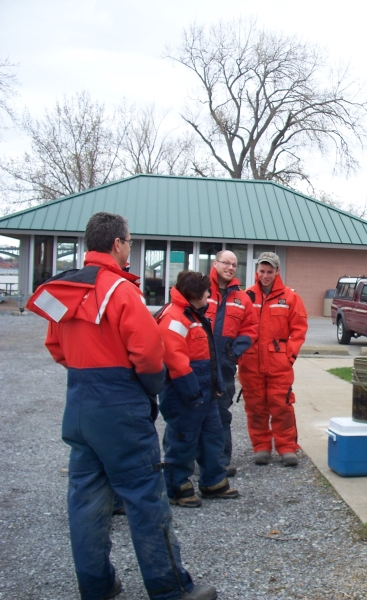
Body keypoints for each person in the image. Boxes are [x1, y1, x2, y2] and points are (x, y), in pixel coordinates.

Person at [26, 212, 215, 600]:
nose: (130, 247)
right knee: (145, 498)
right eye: (129, 242)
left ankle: (96, 586)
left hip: (79, 403)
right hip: (119, 405)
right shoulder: (121, 289)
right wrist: (147, 387)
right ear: (117, 244)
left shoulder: (65, 289)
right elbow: (148, 354)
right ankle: (170, 588)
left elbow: (55, 346)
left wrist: (86, 370)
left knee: (86, 500)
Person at [157, 271, 239, 508]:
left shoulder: (193, 315)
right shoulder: (175, 319)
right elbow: (176, 363)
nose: (209, 296)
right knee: (182, 441)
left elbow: (209, 357)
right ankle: (176, 487)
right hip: (185, 396)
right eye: (206, 292)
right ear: (195, 294)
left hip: (205, 394)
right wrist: (193, 394)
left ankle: (213, 481)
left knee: (212, 438)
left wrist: (216, 388)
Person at [239, 252, 309, 467]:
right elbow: (237, 328)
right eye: (262, 271)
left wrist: (289, 356)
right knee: (256, 406)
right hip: (251, 362)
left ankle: (287, 447)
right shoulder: (246, 296)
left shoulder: (290, 297)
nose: (265, 276)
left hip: (279, 363)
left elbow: (299, 328)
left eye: (270, 272)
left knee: (282, 406)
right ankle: (261, 446)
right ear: (256, 271)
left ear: (277, 271)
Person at [206, 250, 258, 477]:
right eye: (225, 263)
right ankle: (182, 465)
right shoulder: (198, 289)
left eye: (234, 264)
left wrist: (233, 353)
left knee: (220, 414)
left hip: (224, 365)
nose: (230, 267)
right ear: (215, 263)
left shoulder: (242, 298)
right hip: (196, 363)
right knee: (188, 412)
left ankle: (219, 463)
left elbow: (250, 329)